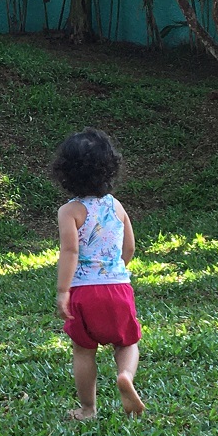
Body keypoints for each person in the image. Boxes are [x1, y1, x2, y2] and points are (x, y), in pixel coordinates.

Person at [52, 127, 144, 420]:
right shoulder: (116, 206)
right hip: (118, 288)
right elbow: (128, 247)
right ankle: (125, 376)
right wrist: (118, 270)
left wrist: (63, 291)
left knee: (83, 350)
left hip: (84, 292)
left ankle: (88, 408)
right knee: (127, 342)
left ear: (65, 173)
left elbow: (70, 251)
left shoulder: (70, 211)